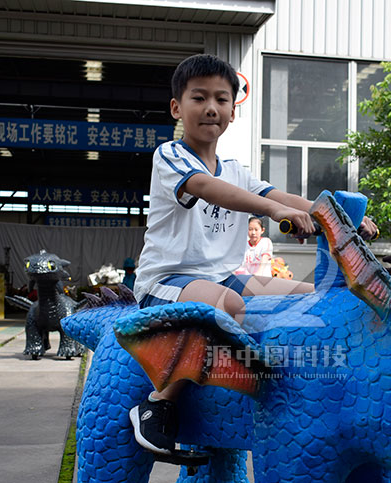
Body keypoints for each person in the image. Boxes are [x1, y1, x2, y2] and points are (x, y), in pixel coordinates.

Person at [130, 53, 377, 456]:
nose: (211, 108)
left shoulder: (236, 169)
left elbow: (280, 195)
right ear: (177, 107)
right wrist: (275, 211)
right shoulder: (170, 157)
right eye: (199, 97)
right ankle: (158, 404)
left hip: (223, 277)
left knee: (309, 295)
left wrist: (338, 218)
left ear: (232, 109)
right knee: (226, 305)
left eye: (222, 99)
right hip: (167, 282)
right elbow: (209, 188)